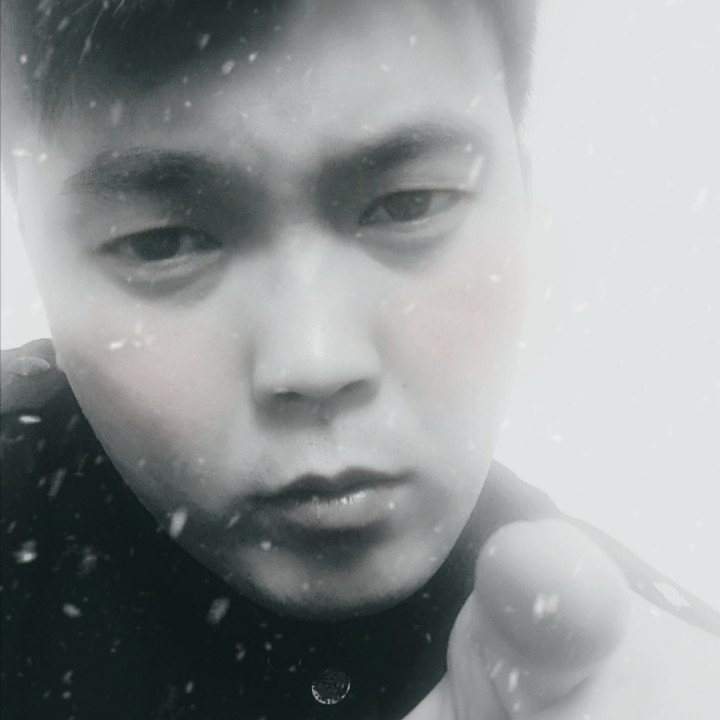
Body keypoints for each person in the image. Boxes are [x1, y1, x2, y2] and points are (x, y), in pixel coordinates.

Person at [1, 1, 718, 718]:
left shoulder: (660, 676)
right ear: (39, 262)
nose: (315, 360)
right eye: (162, 243)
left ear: (521, 203)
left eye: (410, 204)